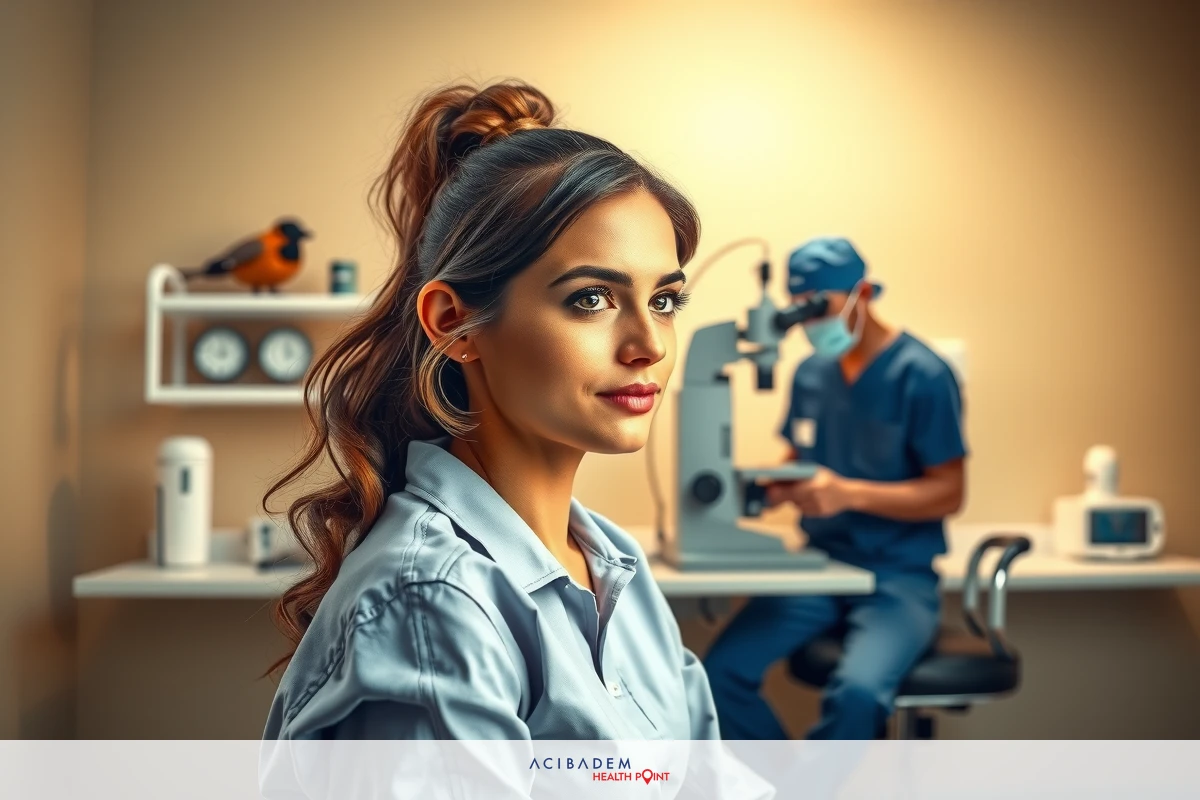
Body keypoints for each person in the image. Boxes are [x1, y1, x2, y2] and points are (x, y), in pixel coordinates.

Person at [260, 80, 719, 741]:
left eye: (665, 301)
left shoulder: (615, 566)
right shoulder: (430, 604)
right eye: (591, 299)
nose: (649, 344)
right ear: (456, 324)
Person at [703, 236, 968, 740]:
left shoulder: (925, 375)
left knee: (859, 694)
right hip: (819, 566)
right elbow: (800, 454)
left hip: (897, 576)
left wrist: (847, 493)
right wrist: (773, 482)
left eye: (820, 307)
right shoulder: (811, 373)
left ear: (862, 292)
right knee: (717, 676)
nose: (811, 324)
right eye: (801, 311)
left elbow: (948, 493)